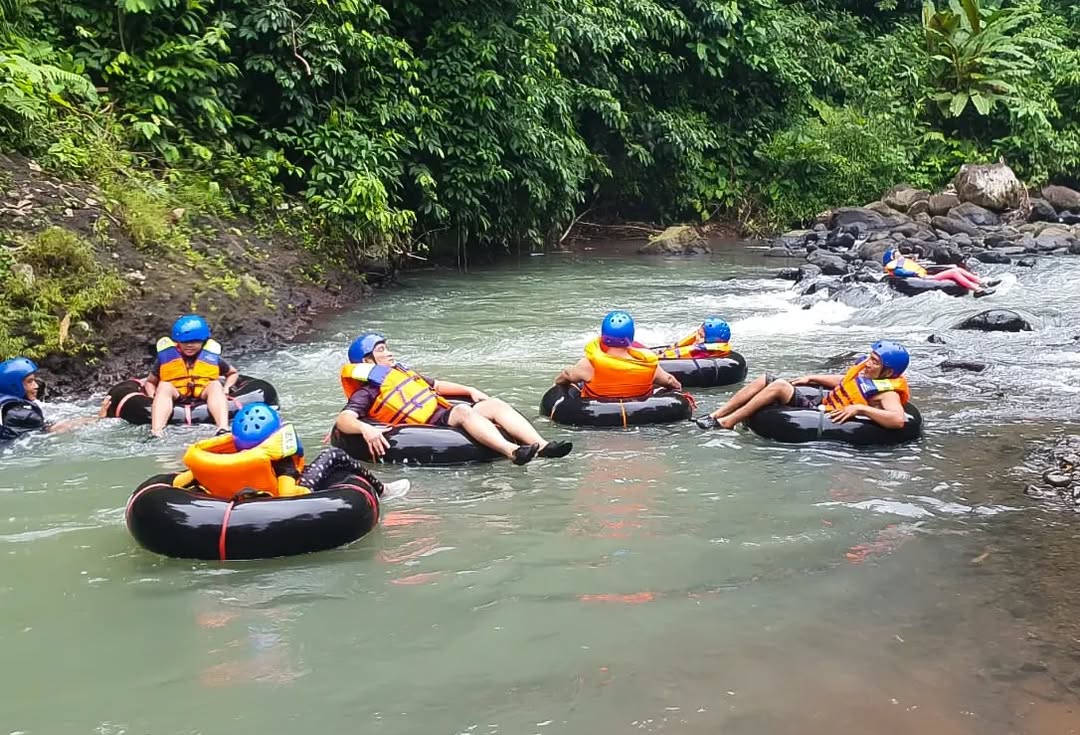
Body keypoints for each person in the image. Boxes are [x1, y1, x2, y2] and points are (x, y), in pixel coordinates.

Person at [336, 333, 572, 466]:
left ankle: (541, 446)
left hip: (440, 415)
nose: (389, 353)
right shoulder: (367, 391)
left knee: (495, 405)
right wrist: (366, 430)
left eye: (387, 348)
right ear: (366, 362)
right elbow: (344, 420)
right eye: (381, 351)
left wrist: (469, 390)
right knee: (464, 413)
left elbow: (437, 385)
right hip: (424, 428)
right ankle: (513, 452)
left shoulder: (402, 374)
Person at [175, 403, 409, 500]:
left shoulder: (216, 459)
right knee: (333, 455)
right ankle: (382, 489)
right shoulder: (279, 457)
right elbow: (287, 495)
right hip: (281, 493)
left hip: (231, 494)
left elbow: (178, 483)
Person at [695, 340, 911, 431]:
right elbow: (845, 382)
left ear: (889, 372)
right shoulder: (867, 374)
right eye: (870, 357)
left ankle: (728, 422)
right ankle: (717, 414)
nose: (868, 363)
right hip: (824, 403)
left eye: (875, 361)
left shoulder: (888, 393)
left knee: (779, 385)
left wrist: (860, 408)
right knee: (765, 378)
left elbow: (898, 420)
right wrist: (811, 378)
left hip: (824, 412)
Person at [145, 314, 239, 438]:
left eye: (194, 341)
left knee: (215, 385)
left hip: (202, 390)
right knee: (163, 386)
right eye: (184, 342)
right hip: (176, 391)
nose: (189, 345)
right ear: (177, 342)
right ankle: (156, 432)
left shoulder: (211, 357)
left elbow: (233, 373)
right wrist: (152, 395)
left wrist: (227, 387)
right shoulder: (166, 358)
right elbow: (150, 382)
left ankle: (223, 427)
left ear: (203, 341)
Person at [555, 310, 682, 398]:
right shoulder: (647, 364)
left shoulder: (589, 365)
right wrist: (677, 391)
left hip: (597, 416)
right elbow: (671, 381)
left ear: (603, 336)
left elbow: (566, 375)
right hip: (639, 414)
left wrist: (558, 385)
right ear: (631, 337)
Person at [883, 248, 996, 297]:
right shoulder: (894, 264)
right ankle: (977, 290)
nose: (899, 254)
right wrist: (913, 274)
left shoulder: (904, 261)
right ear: (892, 257)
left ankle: (982, 283)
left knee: (957, 269)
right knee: (953, 273)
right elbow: (899, 271)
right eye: (896, 253)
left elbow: (925, 266)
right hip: (924, 279)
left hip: (925, 276)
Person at [655, 316, 732, 359]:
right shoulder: (718, 349)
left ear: (710, 341)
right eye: (697, 334)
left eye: (701, 336)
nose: (697, 337)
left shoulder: (699, 351)